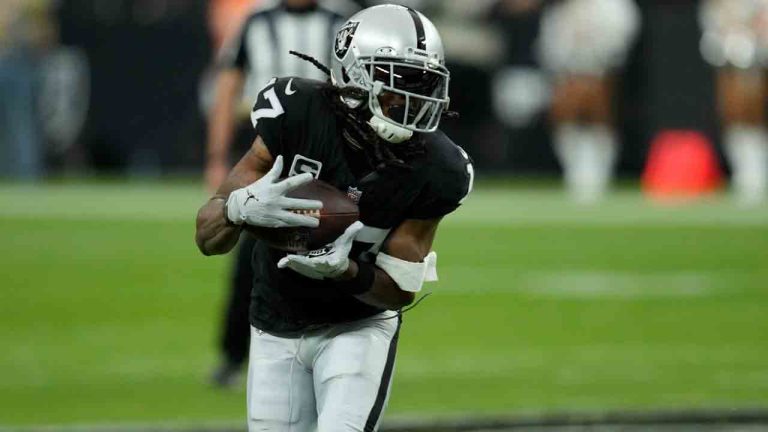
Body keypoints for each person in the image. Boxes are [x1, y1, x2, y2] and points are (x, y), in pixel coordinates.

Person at [195, 4, 473, 430]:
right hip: (276, 320)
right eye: (399, 80)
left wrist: (346, 271)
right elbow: (207, 236)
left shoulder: (438, 167)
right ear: (355, 73)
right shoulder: (298, 111)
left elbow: (399, 290)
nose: (415, 97)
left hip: (358, 326)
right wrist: (237, 208)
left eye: (424, 82)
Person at [204, 0, 347, 387]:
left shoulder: (342, 20)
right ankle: (234, 355)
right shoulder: (256, 22)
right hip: (266, 152)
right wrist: (217, 155)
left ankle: (333, 351)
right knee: (250, 258)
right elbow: (229, 84)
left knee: (335, 250)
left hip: (328, 155)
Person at [537, 0, 639, 202]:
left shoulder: (614, 6)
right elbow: (549, 44)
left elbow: (623, 35)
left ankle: (601, 171)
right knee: (565, 112)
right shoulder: (561, 9)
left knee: (599, 113)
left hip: (603, 69)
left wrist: (597, 57)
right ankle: (574, 170)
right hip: (567, 71)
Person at [700, 0, 768, 205]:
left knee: (755, 112)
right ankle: (747, 172)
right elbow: (712, 23)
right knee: (734, 113)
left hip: (760, 52)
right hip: (731, 55)